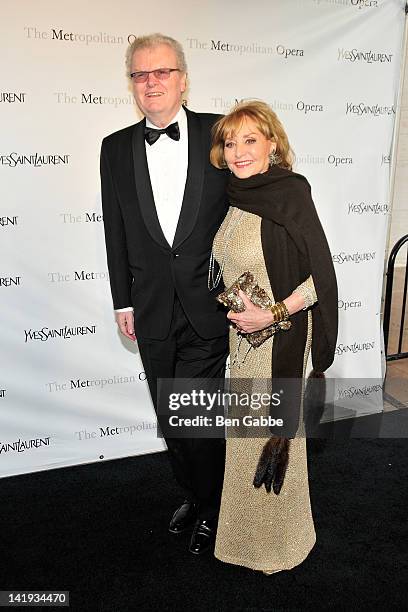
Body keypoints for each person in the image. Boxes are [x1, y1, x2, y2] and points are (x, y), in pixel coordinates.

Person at [100, 33, 230, 555]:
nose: (151, 82)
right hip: (149, 308)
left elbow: (254, 202)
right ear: (132, 83)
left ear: (182, 78)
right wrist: (121, 300)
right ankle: (197, 495)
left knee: (192, 417)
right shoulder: (115, 147)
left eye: (162, 72)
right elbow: (115, 229)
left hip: (209, 308)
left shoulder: (221, 132)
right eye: (140, 74)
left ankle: (215, 506)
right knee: (169, 416)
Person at [209, 100, 338, 573]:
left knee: (274, 438)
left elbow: (320, 278)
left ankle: (280, 545)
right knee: (244, 440)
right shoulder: (236, 197)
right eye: (230, 142)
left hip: (278, 340)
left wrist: (274, 314)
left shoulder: (290, 194)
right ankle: (244, 540)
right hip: (243, 344)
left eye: (250, 140)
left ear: (272, 144)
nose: (239, 151)